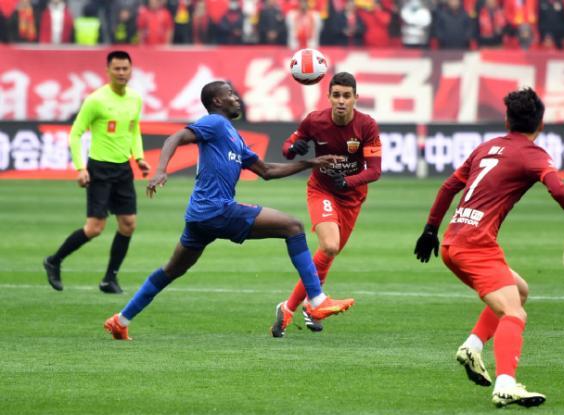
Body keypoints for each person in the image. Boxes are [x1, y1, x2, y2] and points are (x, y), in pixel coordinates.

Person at [103, 81, 355, 340]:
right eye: (230, 94)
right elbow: (175, 137)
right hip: (217, 210)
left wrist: (311, 163)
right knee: (293, 227)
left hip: (199, 217)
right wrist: (161, 170)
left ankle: (121, 320)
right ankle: (316, 299)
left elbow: (266, 171)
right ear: (217, 101)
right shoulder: (214, 123)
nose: (236, 98)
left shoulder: (234, 137)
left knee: (171, 270)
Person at [414, 88, 564, 408]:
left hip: (452, 241)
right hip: (476, 245)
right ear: (540, 124)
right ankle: (505, 384)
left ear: (507, 120)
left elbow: (449, 186)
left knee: (520, 291)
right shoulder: (533, 154)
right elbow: (559, 190)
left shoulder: (486, 147)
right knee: (514, 313)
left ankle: (473, 346)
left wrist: (430, 229)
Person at [272, 72, 381, 338]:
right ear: (329, 97)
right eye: (337, 95)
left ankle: (292, 308)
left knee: (327, 253)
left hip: (351, 197)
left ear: (355, 98)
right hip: (321, 190)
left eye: (347, 96)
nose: (341, 101)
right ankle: (309, 304)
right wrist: (294, 148)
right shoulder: (315, 121)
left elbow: (374, 170)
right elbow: (287, 147)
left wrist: (348, 182)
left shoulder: (366, 125)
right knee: (330, 245)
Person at [43, 50, 150, 294]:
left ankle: (109, 279)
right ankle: (54, 261)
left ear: (131, 70)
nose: (121, 73)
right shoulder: (96, 100)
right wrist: (80, 168)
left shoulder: (135, 99)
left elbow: (133, 130)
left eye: (125, 68)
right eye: (117, 69)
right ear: (108, 71)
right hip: (99, 168)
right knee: (94, 228)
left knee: (128, 224)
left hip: (123, 169)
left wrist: (139, 157)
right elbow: (76, 133)